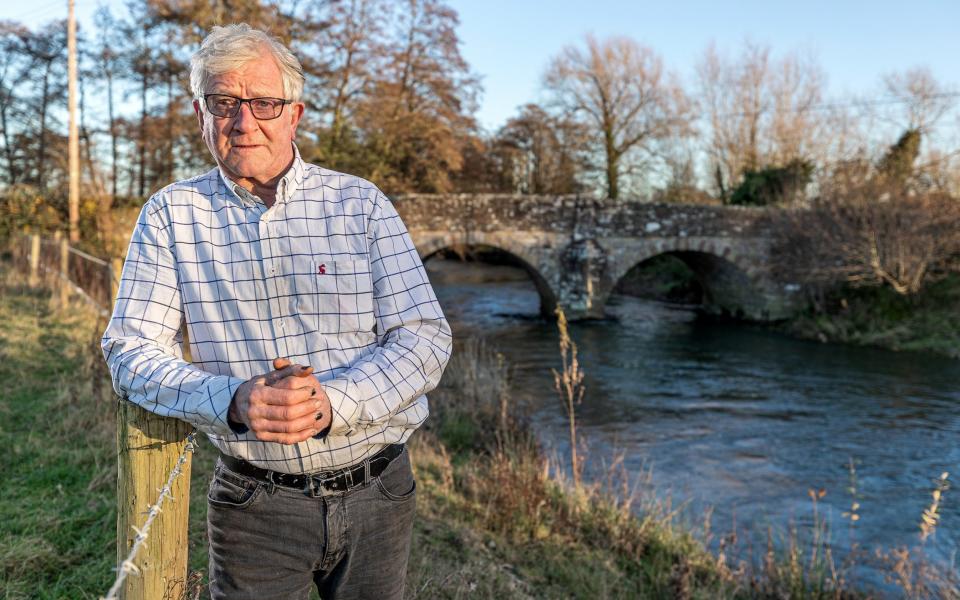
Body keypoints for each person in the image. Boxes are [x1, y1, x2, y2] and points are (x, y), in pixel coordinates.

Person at [101, 23, 451, 600]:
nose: (245, 121)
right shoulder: (171, 216)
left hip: (379, 492)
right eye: (224, 103)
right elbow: (129, 350)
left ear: (294, 113)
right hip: (253, 505)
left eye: (264, 102)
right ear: (201, 113)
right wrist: (231, 399)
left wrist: (334, 401)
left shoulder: (359, 204)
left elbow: (424, 336)